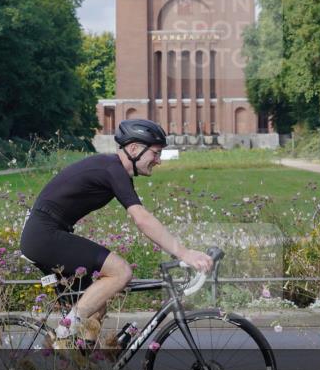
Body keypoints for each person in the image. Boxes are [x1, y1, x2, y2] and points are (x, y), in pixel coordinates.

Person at [19, 119, 213, 347]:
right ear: (133, 149)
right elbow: (142, 219)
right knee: (121, 271)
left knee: (95, 310)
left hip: (44, 235)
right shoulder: (113, 169)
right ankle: (61, 334)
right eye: (156, 153)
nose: (158, 161)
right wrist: (184, 253)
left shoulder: (114, 171)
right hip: (44, 236)